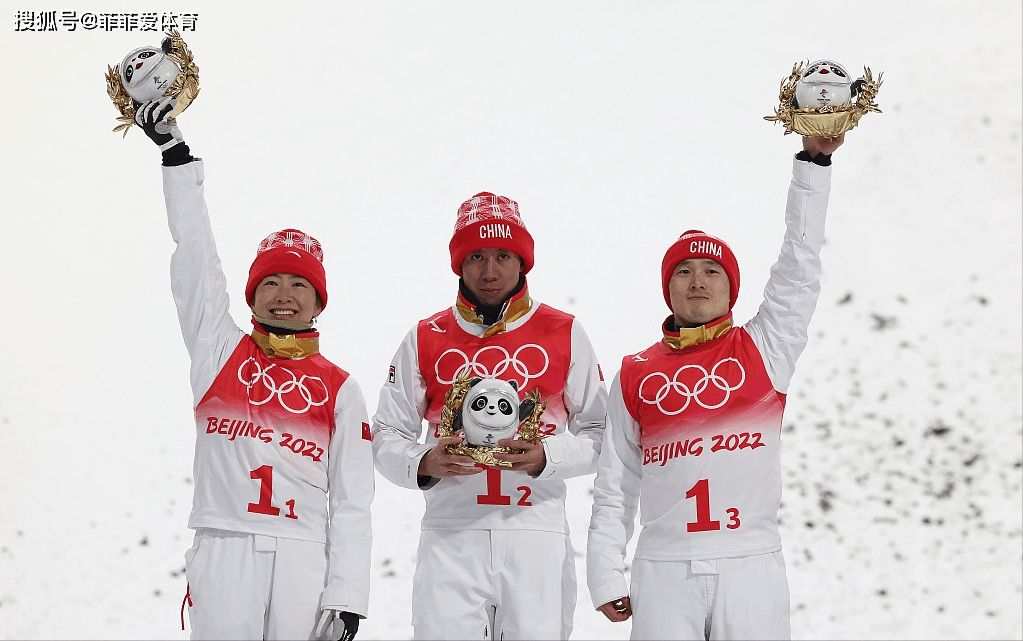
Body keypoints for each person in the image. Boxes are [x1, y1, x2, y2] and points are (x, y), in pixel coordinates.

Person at [586, 134, 847, 640]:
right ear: (668, 287)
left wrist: (814, 164)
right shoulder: (636, 371)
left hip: (749, 563)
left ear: (732, 288)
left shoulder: (765, 348)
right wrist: (603, 572)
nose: (697, 281)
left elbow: (799, 267)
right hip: (663, 567)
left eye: (712, 271)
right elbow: (615, 482)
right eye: (684, 271)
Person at [133, 97, 373, 641]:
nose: (283, 296)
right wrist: (176, 157)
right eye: (270, 282)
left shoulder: (342, 389)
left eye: (299, 285)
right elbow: (195, 256)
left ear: (318, 303)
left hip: (304, 556)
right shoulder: (217, 350)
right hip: (225, 546)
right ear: (251, 296)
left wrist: (348, 595)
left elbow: (355, 500)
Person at [371, 192, 608, 640]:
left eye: (504, 255)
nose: (490, 270)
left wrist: (548, 456)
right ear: (458, 264)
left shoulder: (564, 331)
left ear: (524, 262)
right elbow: (385, 432)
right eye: (476, 255)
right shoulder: (425, 336)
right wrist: (422, 462)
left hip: (535, 532)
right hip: (452, 531)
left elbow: (602, 433)